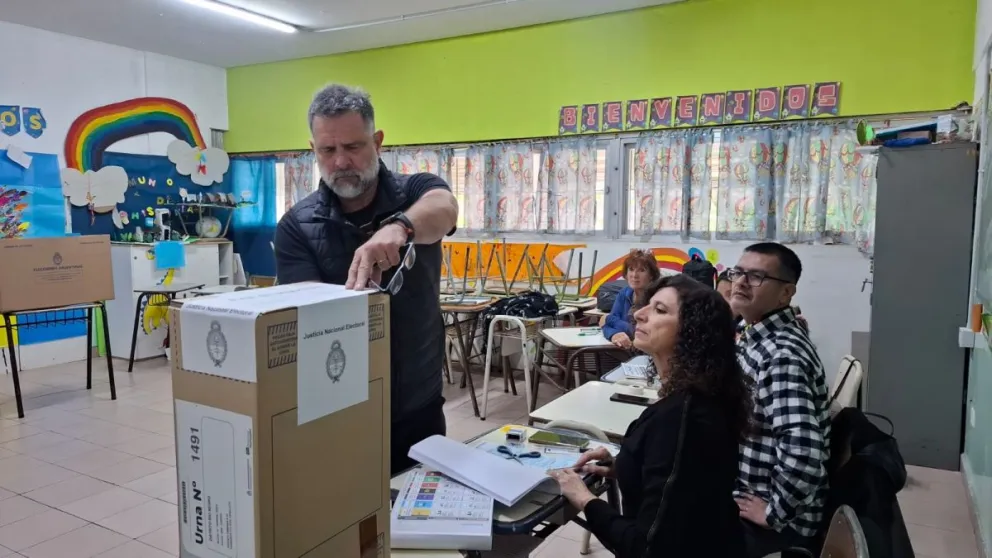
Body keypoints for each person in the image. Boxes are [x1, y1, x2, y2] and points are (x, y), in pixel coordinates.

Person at [274, 84, 458, 475]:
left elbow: (445, 208)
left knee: (419, 523)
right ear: (314, 150)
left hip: (417, 402)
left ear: (377, 142)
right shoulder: (296, 226)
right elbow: (302, 321)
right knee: (350, 524)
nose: (341, 161)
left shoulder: (417, 190)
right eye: (328, 150)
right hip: (339, 408)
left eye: (354, 147)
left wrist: (400, 227)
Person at [549, 275, 751, 557]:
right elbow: (681, 479)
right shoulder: (698, 395)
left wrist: (585, 499)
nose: (637, 314)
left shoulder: (683, 416)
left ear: (692, 331)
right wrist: (627, 465)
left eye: (659, 310)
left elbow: (647, 548)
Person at [727, 242, 831, 557]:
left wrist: (774, 513)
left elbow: (804, 452)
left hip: (774, 520)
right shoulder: (752, 333)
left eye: (757, 277)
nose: (741, 282)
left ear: (786, 293)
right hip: (749, 489)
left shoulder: (781, 354)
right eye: (739, 272)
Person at [602, 249, 660, 349]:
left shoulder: (656, 298)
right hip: (625, 349)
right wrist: (614, 334)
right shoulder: (624, 293)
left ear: (651, 275)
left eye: (642, 270)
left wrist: (607, 318)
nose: (634, 275)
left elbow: (640, 331)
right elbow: (606, 326)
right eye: (631, 269)